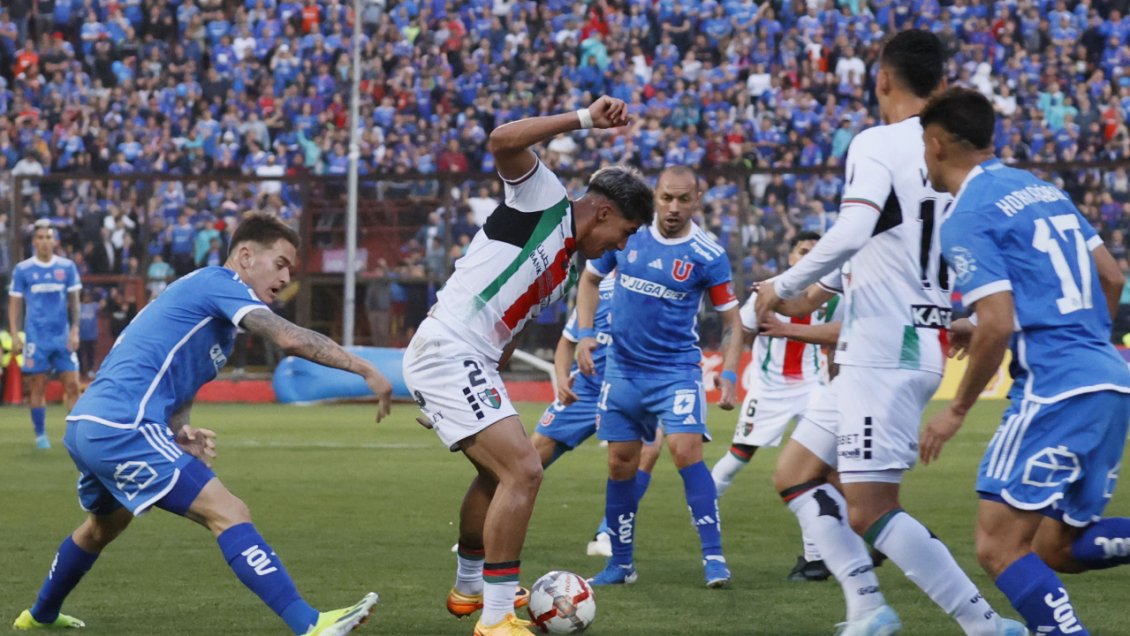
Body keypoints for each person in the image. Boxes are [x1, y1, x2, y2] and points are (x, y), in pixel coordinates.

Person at [756, 31, 1027, 635]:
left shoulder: (879, 142)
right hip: (899, 338)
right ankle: (866, 607)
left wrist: (782, 283)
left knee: (873, 509)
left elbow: (852, 230)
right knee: (795, 473)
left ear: (882, 79)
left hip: (888, 345)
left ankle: (985, 624)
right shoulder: (954, 152)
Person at [11, 214, 392, 635]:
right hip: (123, 425)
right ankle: (311, 624)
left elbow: (175, 384)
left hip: (90, 424)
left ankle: (39, 615)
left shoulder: (216, 320)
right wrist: (363, 367)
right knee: (228, 512)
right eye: (281, 263)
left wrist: (179, 433)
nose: (286, 276)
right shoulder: (220, 284)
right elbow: (289, 337)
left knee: (104, 525)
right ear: (246, 256)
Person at [402, 96, 653, 636]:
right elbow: (501, 140)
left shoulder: (562, 269)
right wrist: (584, 119)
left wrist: (474, 395)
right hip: (448, 349)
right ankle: (496, 621)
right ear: (605, 212)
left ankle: (470, 590)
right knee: (525, 470)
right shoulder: (546, 201)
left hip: (468, 362)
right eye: (626, 233)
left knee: (498, 475)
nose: (621, 247)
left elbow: (507, 331)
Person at [920, 87, 1130, 636]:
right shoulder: (1042, 190)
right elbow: (1112, 277)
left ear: (936, 144)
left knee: (997, 545)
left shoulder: (966, 214)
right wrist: (1082, 339)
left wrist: (957, 410)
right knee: (1056, 547)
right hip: (1109, 379)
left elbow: (998, 322)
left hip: (1055, 388)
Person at [578, 164, 743, 589]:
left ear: (697, 202)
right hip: (623, 371)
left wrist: (727, 372)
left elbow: (733, 322)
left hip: (675, 372)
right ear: (655, 195)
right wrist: (583, 335)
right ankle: (621, 564)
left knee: (685, 451)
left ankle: (714, 557)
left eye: (683, 199)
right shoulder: (628, 235)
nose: (673, 207)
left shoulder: (708, 254)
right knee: (619, 464)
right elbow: (589, 280)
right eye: (666, 197)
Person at [710, 231, 842, 582]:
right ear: (791, 258)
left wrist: (838, 386)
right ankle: (703, 510)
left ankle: (816, 560)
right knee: (737, 459)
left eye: (816, 252)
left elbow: (840, 338)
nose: (810, 257)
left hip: (813, 388)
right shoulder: (768, 290)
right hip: (768, 390)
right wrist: (729, 375)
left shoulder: (831, 293)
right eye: (803, 251)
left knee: (814, 470)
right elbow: (739, 332)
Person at [529, 273, 664, 559]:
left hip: (627, 391)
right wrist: (563, 380)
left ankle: (608, 532)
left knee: (648, 451)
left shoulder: (657, 290)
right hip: (586, 390)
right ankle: (481, 532)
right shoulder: (596, 289)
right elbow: (566, 343)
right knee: (527, 459)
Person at [8, 219, 82, 449]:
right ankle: (40, 436)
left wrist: (75, 330)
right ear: (34, 241)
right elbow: (15, 304)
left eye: (49, 237)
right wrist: (15, 333)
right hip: (36, 338)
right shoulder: (23, 269)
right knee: (37, 386)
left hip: (62, 337)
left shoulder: (67, 267)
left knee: (72, 384)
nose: (45, 242)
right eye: (40, 238)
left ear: (55, 241)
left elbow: (74, 302)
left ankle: (73, 437)